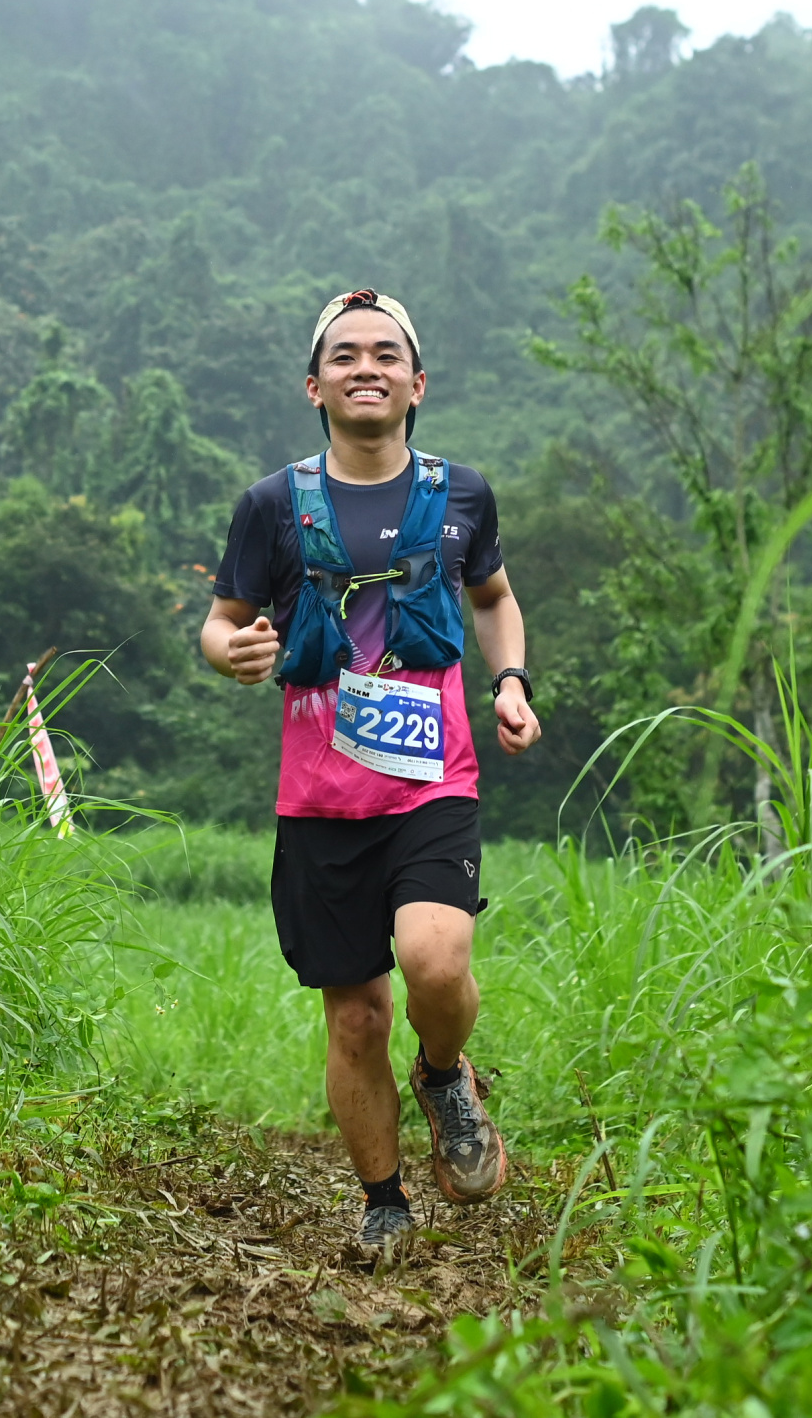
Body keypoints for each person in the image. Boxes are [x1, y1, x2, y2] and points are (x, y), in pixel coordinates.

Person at [198, 288, 541, 1272]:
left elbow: (495, 599)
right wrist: (235, 652)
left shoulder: (461, 494)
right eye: (344, 355)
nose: (366, 367)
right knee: (354, 1015)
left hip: (434, 785)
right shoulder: (273, 505)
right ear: (315, 385)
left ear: (417, 383)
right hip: (319, 800)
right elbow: (220, 622)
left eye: (386, 354)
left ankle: (444, 1076)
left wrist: (509, 681)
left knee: (435, 961)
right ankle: (384, 1203)